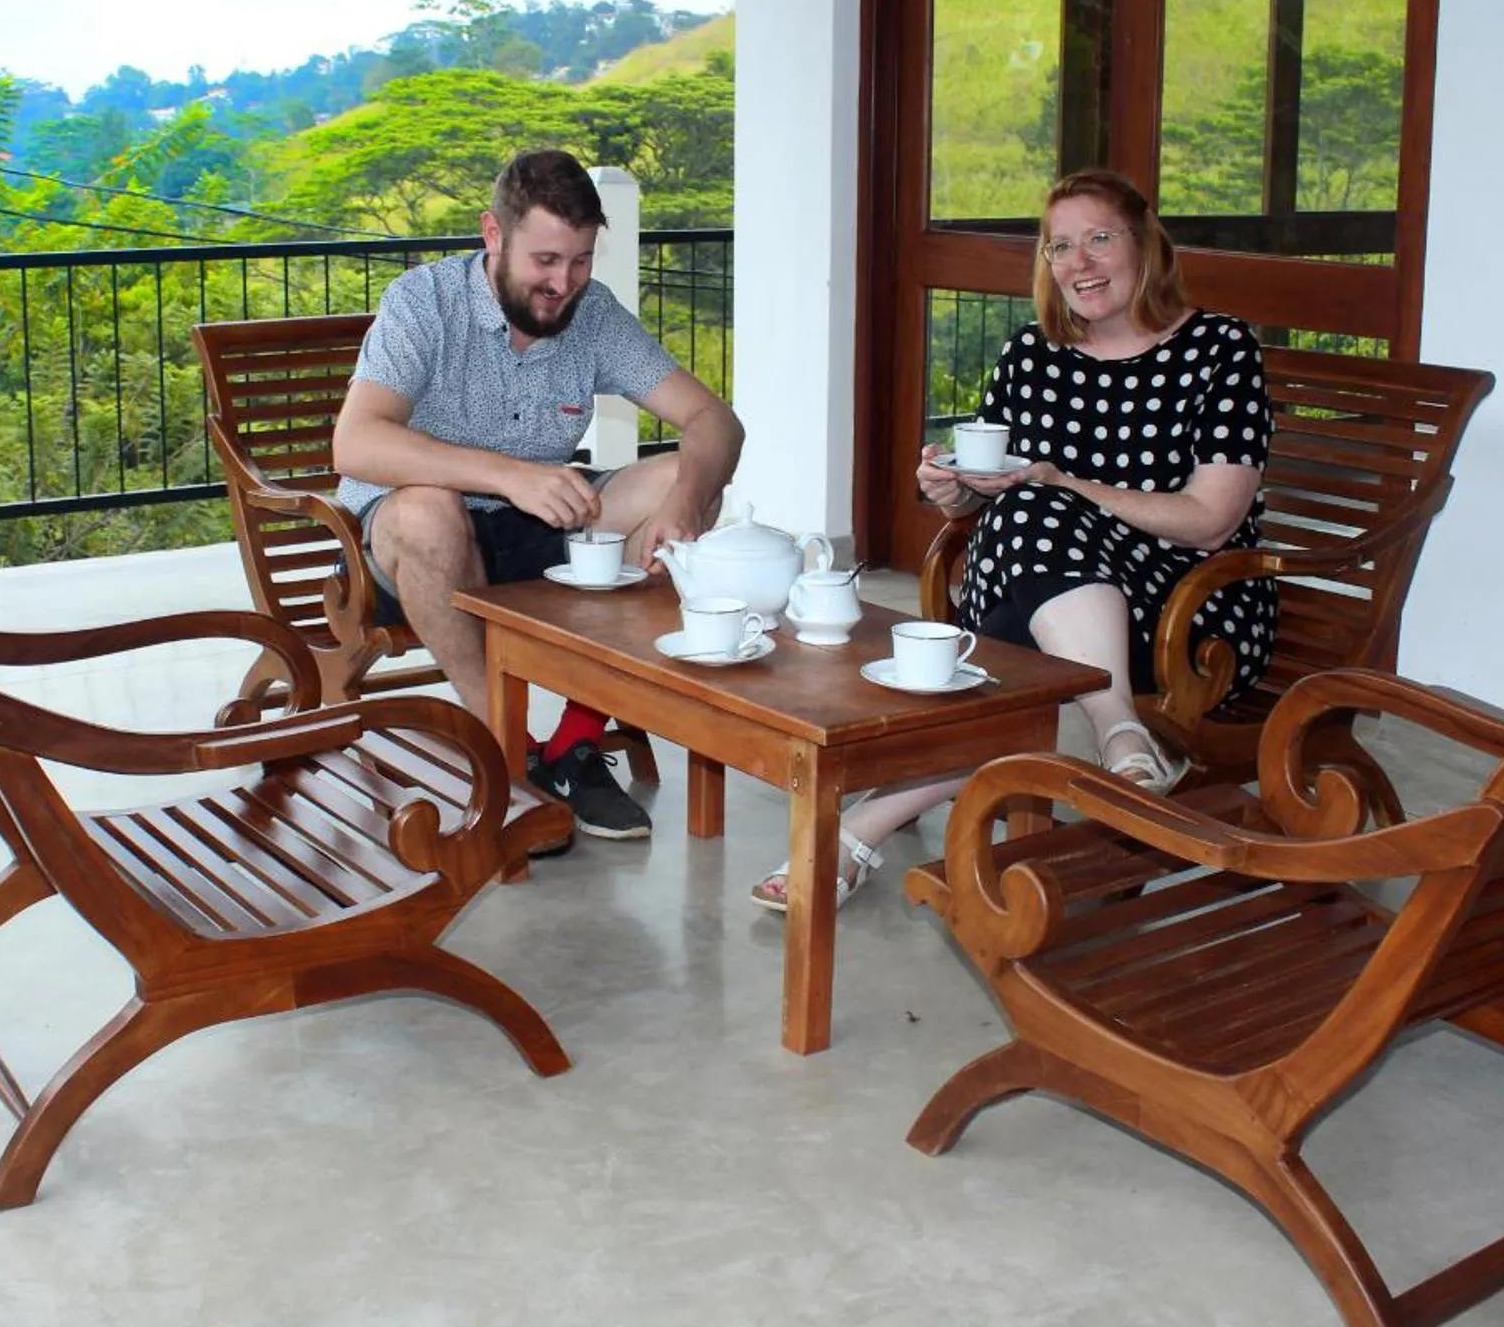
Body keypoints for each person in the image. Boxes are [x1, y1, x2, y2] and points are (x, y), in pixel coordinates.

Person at [751, 167, 1275, 912]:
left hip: (1184, 605)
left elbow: (1211, 518)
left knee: (1035, 532)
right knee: (1032, 520)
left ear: (1145, 245)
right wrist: (952, 490)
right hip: (1045, 585)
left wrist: (1064, 485)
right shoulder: (1032, 356)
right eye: (1059, 246)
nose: (1078, 263)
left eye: (1098, 239)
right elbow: (1000, 492)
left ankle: (864, 822)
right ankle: (1120, 731)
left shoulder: (1218, 350)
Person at [335, 147, 745, 842]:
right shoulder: (422, 302)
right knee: (430, 509)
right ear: (492, 234)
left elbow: (716, 422)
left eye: (580, 260)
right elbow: (356, 443)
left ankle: (575, 744)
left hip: (542, 527)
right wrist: (505, 473)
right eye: (545, 261)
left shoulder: (594, 314)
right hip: (410, 545)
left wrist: (682, 507)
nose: (564, 282)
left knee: (691, 479)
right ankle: (508, 751)